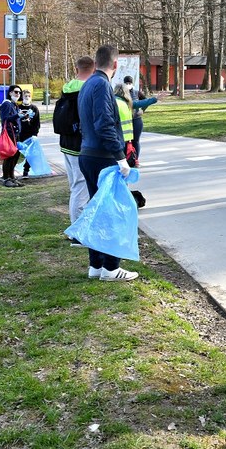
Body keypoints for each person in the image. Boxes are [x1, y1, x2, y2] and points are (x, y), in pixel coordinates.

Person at [78, 44, 138, 282]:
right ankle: (111, 268)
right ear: (115, 65)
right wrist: (121, 158)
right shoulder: (103, 85)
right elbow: (104, 124)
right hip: (103, 158)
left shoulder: (88, 84)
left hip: (88, 154)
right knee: (114, 212)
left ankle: (96, 265)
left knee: (97, 211)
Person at [54, 56, 95, 226]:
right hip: (80, 146)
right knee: (81, 188)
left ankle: (77, 225)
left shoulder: (67, 88)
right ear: (93, 70)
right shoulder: (89, 89)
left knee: (75, 187)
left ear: (76, 70)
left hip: (66, 144)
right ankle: (77, 230)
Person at [123, 75, 157, 160]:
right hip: (126, 120)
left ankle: (136, 159)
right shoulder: (122, 93)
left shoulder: (137, 93)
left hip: (136, 119)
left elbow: (145, 101)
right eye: (126, 83)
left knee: (135, 141)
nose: (128, 84)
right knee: (125, 141)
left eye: (129, 83)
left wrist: (142, 110)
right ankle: (125, 159)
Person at [0, 85, 24, 187]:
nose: (18, 94)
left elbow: (14, 118)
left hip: (15, 133)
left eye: (19, 92)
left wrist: (23, 117)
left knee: (15, 155)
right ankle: (6, 178)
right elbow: (5, 118)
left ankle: (12, 177)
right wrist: (18, 115)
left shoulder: (14, 105)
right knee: (9, 156)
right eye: (16, 92)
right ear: (10, 93)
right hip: (9, 134)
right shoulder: (7, 104)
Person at [18, 89, 41, 178]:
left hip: (30, 134)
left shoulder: (34, 108)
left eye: (28, 96)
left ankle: (26, 170)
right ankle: (11, 171)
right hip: (20, 134)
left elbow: (37, 122)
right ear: (22, 97)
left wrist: (35, 134)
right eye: (25, 96)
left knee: (30, 153)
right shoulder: (18, 107)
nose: (27, 98)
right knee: (16, 152)